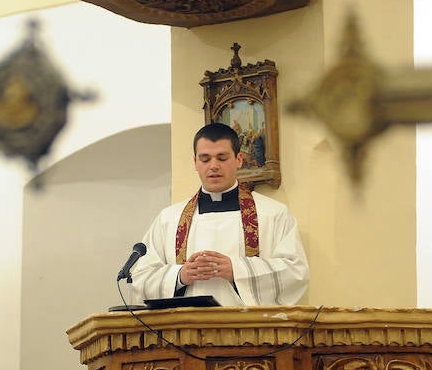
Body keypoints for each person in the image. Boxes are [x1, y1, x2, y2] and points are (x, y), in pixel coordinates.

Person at [130, 122, 309, 306]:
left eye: (222, 158)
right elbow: (141, 278)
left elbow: (296, 272)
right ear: (195, 162)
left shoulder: (273, 214)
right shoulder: (169, 219)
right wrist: (179, 276)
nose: (214, 166)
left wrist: (237, 270)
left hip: (247, 324)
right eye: (205, 159)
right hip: (186, 324)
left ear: (239, 160)